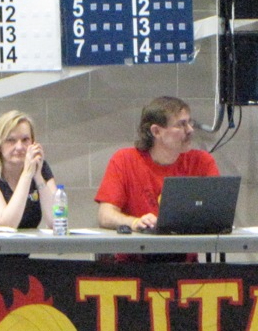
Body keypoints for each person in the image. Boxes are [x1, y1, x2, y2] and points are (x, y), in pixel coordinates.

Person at [94, 95, 219, 232]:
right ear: (156, 131)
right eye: (181, 124)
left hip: (182, 250)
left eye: (190, 123)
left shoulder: (202, 161)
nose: (190, 130)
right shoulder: (124, 160)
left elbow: (218, 212)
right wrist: (135, 222)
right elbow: (105, 215)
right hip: (134, 251)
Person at [0, 110, 56, 229]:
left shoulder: (40, 168)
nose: (19, 147)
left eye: (25, 140)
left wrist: (38, 176)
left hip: (28, 245)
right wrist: (27, 175)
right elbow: (7, 225)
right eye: (11, 140)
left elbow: (56, 221)